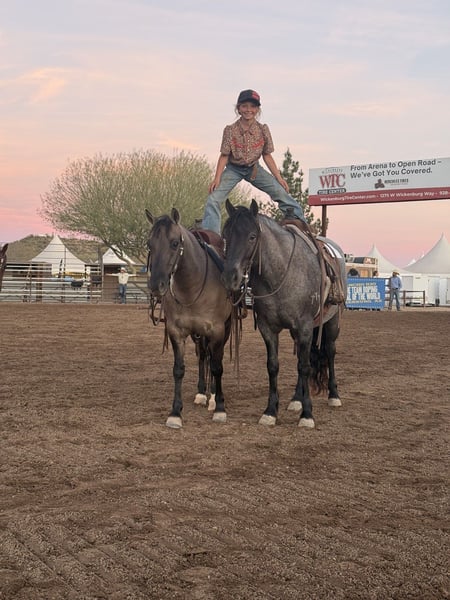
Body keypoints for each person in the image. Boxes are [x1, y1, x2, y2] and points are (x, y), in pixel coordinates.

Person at [201, 89, 306, 234]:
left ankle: (301, 226)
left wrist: (279, 177)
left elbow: (267, 155)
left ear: (257, 109)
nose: (248, 110)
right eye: (244, 106)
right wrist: (217, 178)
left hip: (254, 169)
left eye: (252, 106)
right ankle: (211, 236)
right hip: (233, 169)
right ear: (238, 108)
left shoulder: (263, 130)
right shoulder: (230, 130)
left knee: (280, 192)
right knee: (213, 199)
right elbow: (224, 155)